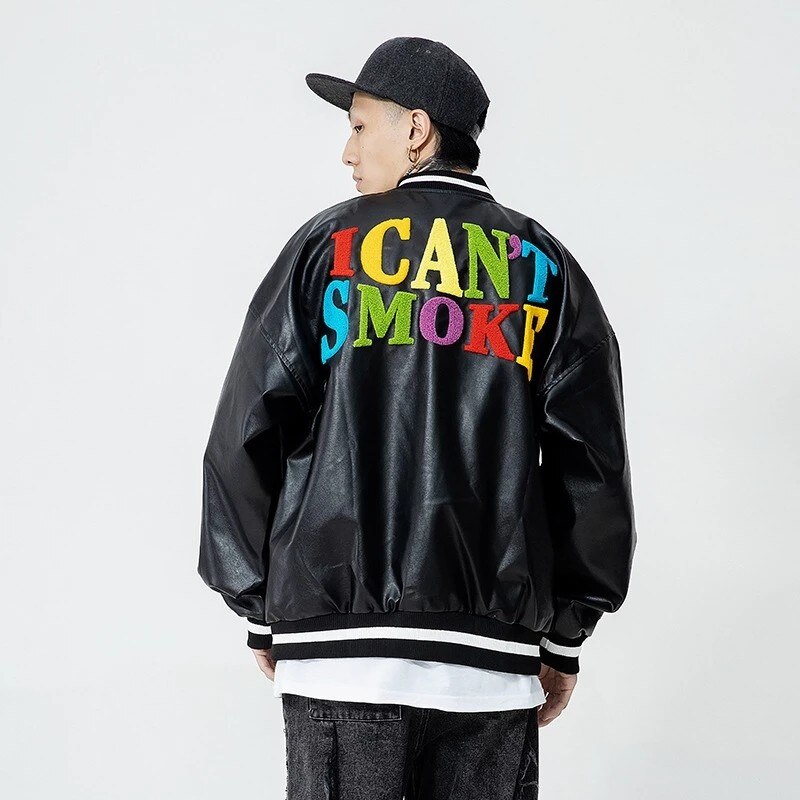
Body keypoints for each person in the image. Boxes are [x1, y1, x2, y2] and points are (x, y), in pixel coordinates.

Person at [197, 36, 636, 800]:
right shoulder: (546, 267)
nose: (347, 151)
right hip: (490, 670)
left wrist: (260, 605)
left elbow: (246, 432)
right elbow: (592, 466)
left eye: (360, 125)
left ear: (416, 129)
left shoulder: (326, 247)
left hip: (342, 662)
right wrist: (564, 635)